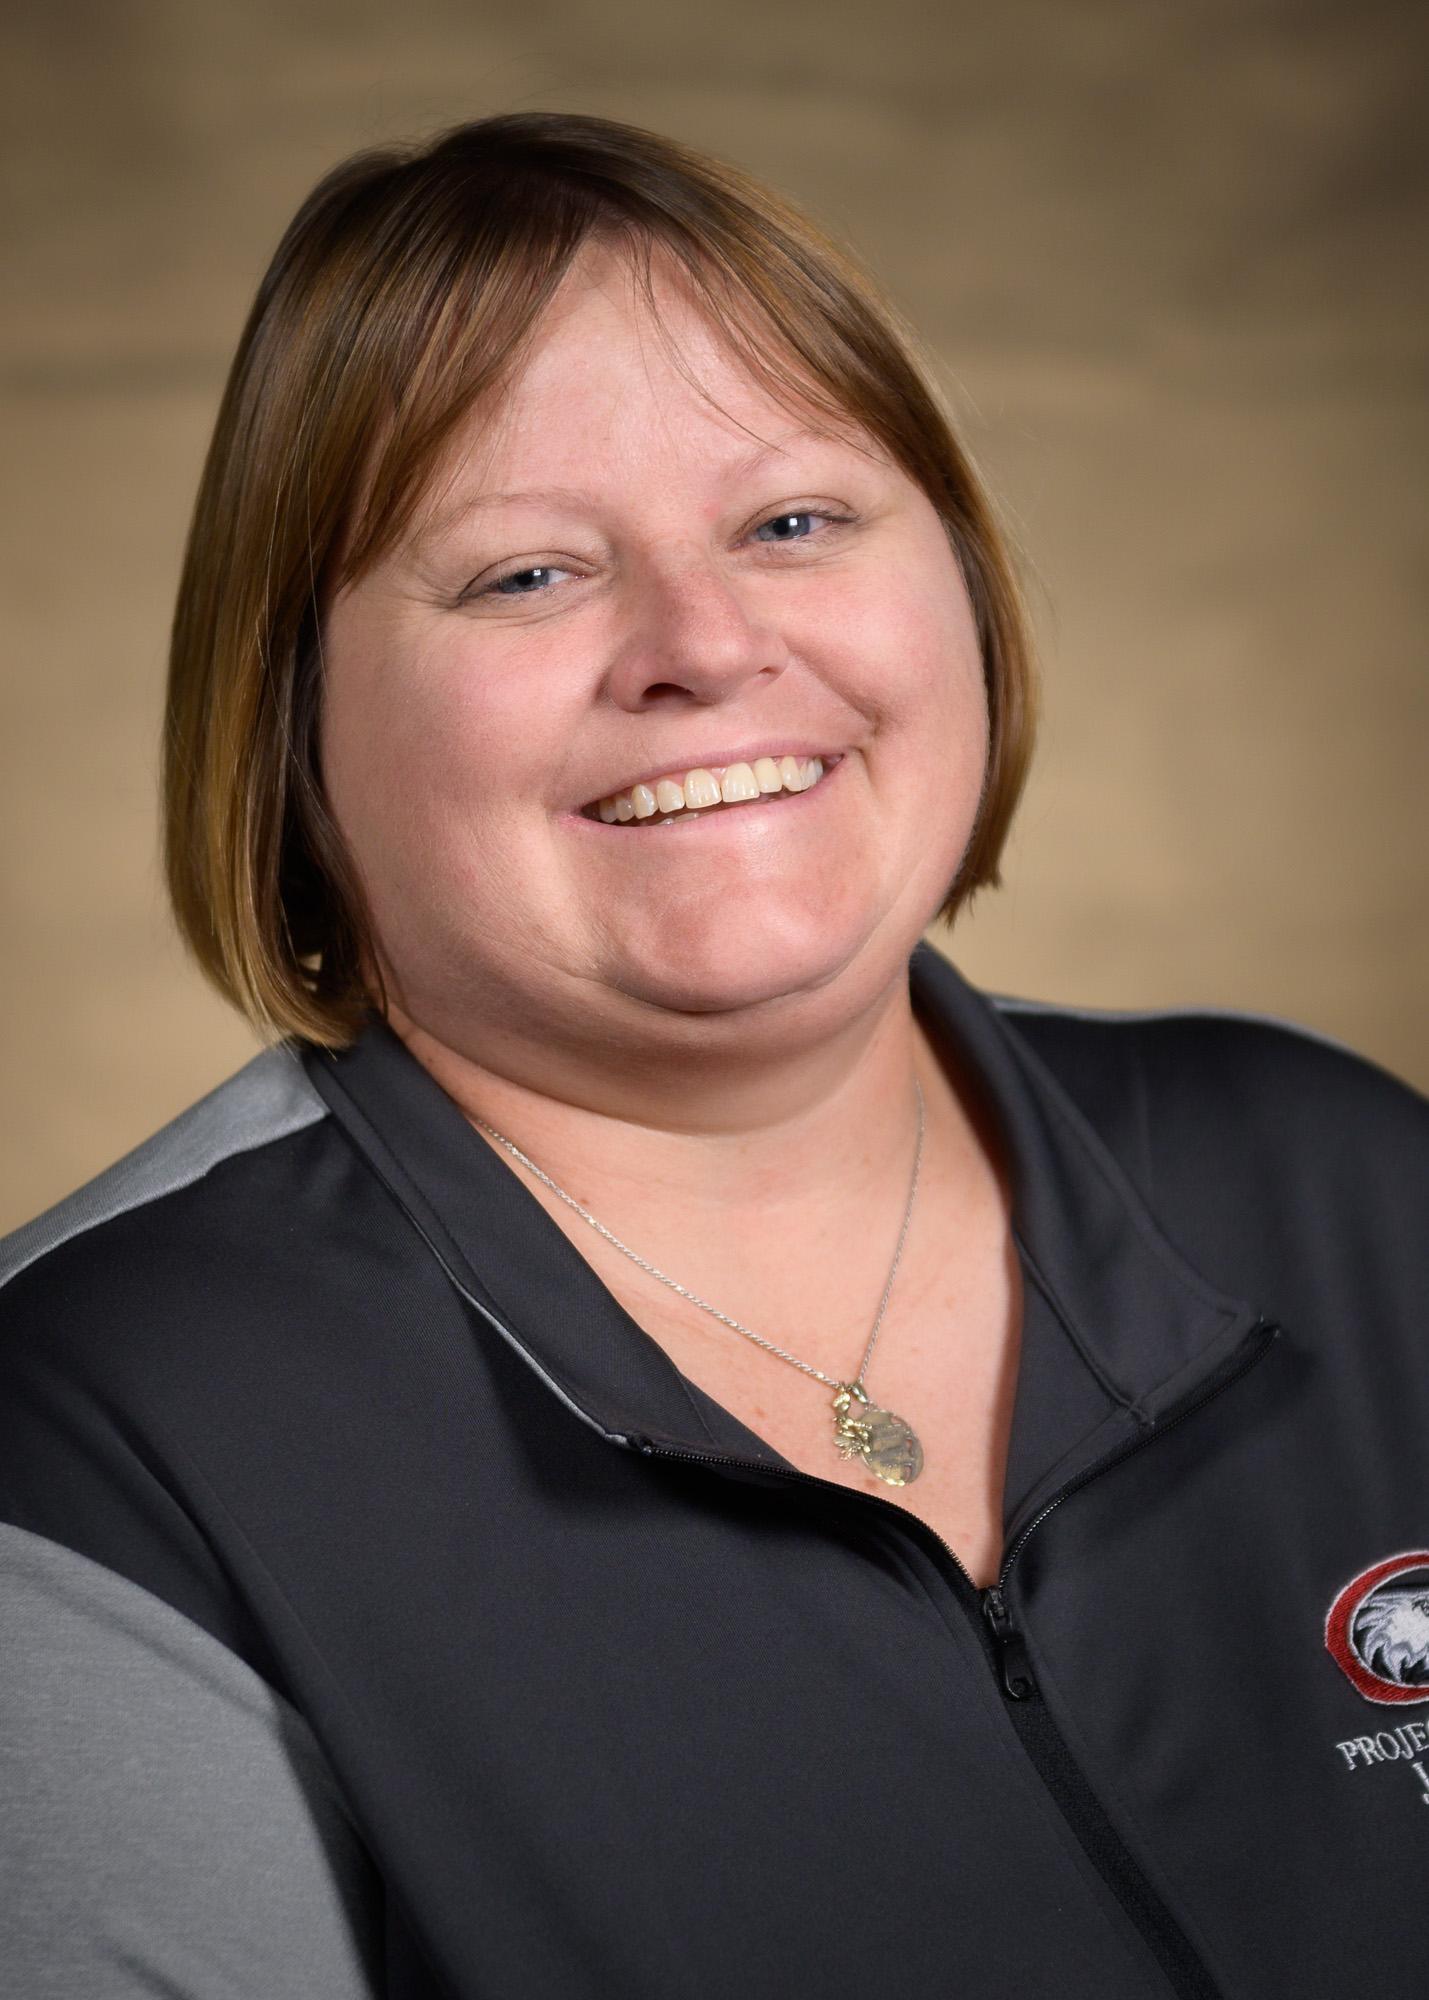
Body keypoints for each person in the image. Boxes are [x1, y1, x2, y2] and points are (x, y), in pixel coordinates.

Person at [1, 112, 1426, 2000]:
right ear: (295, 729)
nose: (701, 644)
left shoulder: (1345, 1180)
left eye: (791, 522)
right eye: (522, 574)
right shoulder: (93, 1445)